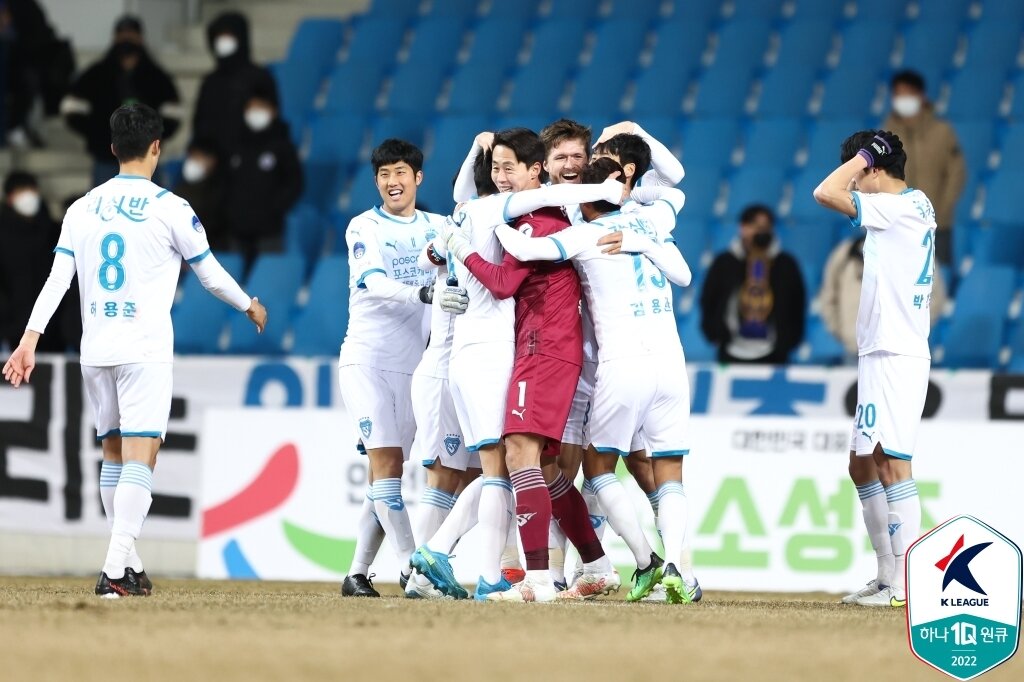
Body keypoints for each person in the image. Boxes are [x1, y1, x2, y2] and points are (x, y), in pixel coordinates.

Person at [1, 103, 266, 598]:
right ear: (157, 148)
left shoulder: (81, 208)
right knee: (142, 457)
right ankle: (114, 572)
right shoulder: (172, 207)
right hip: (143, 350)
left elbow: (59, 279)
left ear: (111, 150)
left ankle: (131, 565)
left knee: (114, 457)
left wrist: (29, 339)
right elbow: (208, 275)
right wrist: (248, 304)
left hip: (95, 348)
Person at [412, 138, 627, 601]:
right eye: (497, 169)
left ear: (536, 172)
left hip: (540, 348)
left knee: (512, 460)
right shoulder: (516, 218)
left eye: (511, 168)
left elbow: (505, 282)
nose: (502, 177)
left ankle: (534, 579)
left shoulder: (533, 222)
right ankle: (597, 564)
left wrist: (463, 249)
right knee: (539, 468)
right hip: (534, 348)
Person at [492, 158, 698, 603]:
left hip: (624, 363)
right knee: (670, 473)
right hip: (673, 364)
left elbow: (530, 251)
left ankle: (647, 562)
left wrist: (491, 219)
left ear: (586, 198)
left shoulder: (586, 234)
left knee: (599, 467)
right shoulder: (650, 222)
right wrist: (640, 230)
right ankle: (680, 571)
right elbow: (683, 269)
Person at [813, 130, 934, 608]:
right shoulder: (916, 203)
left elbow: (825, 192)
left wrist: (861, 159)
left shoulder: (897, 207)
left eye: (860, 174)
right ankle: (887, 577)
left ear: (871, 169)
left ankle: (904, 586)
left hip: (896, 351)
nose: (856, 186)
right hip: (881, 350)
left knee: (891, 461)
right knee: (861, 463)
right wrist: (867, 162)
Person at [337, 139, 443, 598]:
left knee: (389, 475)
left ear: (417, 177)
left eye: (400, 172)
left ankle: (356, 574)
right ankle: (411, 568)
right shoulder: (363, 226)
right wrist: (422, 294)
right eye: (383, 175)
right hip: (367, 361)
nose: (392, 182)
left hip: (414, 368)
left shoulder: (438, 227)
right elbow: (374, 283)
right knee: (385, 467)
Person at [60, 16, 181, 187]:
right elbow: (71, 110)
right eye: (122, 34)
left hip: (145, 160)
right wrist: (100, 136)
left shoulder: (157, 77)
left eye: (131, 34)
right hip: (107, 159)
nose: (127, 39)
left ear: (140, 38)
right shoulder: (96, 74)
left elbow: (173, 115)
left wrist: (153, 138)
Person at [700, 204, 806, 364]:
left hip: (774, 354)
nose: (759, 232)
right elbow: (709, 301)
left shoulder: (785, 264)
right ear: (742, 227)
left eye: (765, 227)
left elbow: (797, 304)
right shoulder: (724, 263)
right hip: (731, 350)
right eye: (754, 226)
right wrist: (715, 334)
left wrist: (788, 341)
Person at [881, 70, 965, 265]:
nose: (903, 100)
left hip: (937, 226)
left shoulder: (942, 132)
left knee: (938, 282)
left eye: (908, 93)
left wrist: (941, 211)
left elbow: (956, 173)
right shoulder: (885, 136)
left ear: (921, 95)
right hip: (897, 226)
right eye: (898, 94)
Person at [820, 234, 946, 358]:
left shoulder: (918, 251)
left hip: (903, 353)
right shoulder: (845, 254)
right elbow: (828, 297)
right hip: (855, 350)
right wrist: (844, 334)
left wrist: (911, 334)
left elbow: (934, 299)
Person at [223, 82, 302, 270]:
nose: (255, 112)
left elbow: (294, 182)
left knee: (267, 281)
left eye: (261, 107)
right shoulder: (236, 145)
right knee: (234, 289)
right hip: (237, 229)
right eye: (251, 107)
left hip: (269, 231)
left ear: (273, 111)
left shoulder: (282, 146)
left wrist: (274, 208)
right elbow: (225, 183)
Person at [192, 11, 278, 157]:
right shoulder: (210, 82)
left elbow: (270, 121)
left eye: (228, 35)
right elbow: (200, 123)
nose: (223, 41)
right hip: (215, 162)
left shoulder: (259, 77)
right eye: (219, 36)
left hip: (250, 160)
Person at [0, 171, 62, 350]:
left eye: (31, 190)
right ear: (10, 197)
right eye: (21, 191)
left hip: (52, 329)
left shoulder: (53, 231)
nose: (28, 196)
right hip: (11, 329)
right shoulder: (3, 233)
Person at [1, 0, 74, 148]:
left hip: (21, 63)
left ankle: (15, 128)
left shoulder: (25, 6)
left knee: (29, 81)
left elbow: (39, 37)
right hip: (11, 63)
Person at [174, 138, 228, 251]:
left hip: (209, 250)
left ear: (212, 161)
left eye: (198, 157)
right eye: (191, 157)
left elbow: (215, 226)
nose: (193, 161)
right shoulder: (180, 188)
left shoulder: (220, 191)